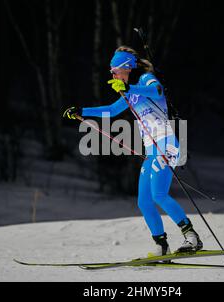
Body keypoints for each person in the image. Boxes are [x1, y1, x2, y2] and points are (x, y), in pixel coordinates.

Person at [63, 46, 203, 256]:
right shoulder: (131, 92)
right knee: (144, 201)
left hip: (166, 144)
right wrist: (81, 111)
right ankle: (161, 245)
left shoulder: (145, 80)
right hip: (152, 150)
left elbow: (158, 91)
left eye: (114, 70)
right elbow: (110, 111)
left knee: (158, 194)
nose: (112, 74)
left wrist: (129, 89)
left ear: (127, 67)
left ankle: (191, 237)